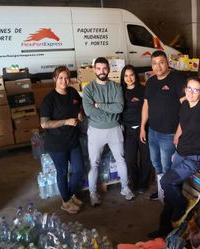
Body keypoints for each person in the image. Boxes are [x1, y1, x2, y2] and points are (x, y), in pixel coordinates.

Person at [149, 77, 200, 238]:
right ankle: (165, 229)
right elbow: (183, 121)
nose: (191, 92)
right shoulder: (184, 104)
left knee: (166, 181)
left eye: (196, 90)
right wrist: (177, 135)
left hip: (196, 156)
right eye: (189, 88)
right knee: (171, 191)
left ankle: (182, 205)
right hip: (181, 152)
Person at [83, 57, 134, 205]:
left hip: (114, 129)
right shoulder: (89, 89)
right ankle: (93, 193)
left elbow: (119, 108)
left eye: (104, 68)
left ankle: (125, 188)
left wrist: (98, 105)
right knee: (94, 163)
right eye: (98, 68)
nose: (101, 71)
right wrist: (107, 109)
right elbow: (88, 111)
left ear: (109, 69)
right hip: (95, 130)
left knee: (121, 160)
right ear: (94, 70)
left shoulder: (116, 87)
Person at [140, 50, 186, 201]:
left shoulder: (177, 79)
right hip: (152, 131)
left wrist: (180, 130)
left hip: (169, 134)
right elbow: (146, 106)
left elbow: (185, 106)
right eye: (154, 63)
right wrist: (142, 127)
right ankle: (162, 192)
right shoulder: (151, 81)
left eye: (161, 62)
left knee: (168, 168)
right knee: (156, 164)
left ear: (167, 63)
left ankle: (171, 198)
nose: (158, 66)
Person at [40, 66, 85, 214]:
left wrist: (80, 113)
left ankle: (69, 195)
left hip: (72, 139)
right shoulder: (49, 99)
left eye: (66, 78)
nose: (64, 81)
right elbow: (44, 123)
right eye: (60, 78)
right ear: (54, 79)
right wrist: (66, 121)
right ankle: (66, 201)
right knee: (63, 173)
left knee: (79, 170)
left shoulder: (72, 92)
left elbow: (79, 106)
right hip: (56, 143)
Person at [121, 65, 152, 193]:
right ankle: (134, 181)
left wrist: (144, 127)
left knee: (146, 158)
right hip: (128, 131)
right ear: (123, 78)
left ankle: (143, 184)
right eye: (126, 76)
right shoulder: (120, 91)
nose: (129, 78)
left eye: (131, 75)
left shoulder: (143, 90)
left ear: (136, 76)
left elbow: (149, 109)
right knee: (130, 159)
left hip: (144, 129)